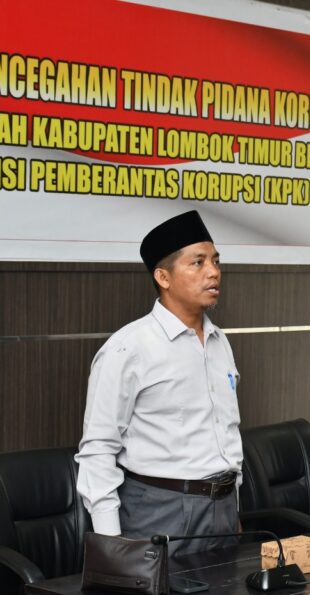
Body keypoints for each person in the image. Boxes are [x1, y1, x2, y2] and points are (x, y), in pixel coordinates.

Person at [75, 210, 243, 556]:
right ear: (163, 277)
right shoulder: (129, 348)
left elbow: (226, 430)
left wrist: (233, 506)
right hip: (160, 511)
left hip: (223, 510)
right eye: (198, 262)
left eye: (215, 261)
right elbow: (98, 449)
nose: (213, 272)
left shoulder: (219, 341)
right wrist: (112, 545)